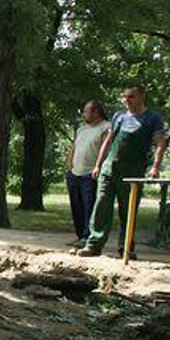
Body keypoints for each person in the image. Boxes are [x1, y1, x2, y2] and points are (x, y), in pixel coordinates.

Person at [77, 86, 167, 259]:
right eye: (125, 97)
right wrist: (98, 164)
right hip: (109, 169)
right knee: (101, 206)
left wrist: (155, 166)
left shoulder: (152, 118)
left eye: (131, 97)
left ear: (142, 96)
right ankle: (94, 244)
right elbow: (108, 141)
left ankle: (126, 248)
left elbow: (160, 143)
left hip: (132, 173)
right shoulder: (119, 116)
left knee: (128, 210)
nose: (127, 101)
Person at [65, 100, 110, 247]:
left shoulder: (106, 127)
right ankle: (80, 236)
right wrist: (69, 167)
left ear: (96, 112)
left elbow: (106, 150)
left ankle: (88, 236)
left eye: (85, 111)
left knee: (89, 206)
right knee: (76, 207)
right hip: (74, 173)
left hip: (90, 174)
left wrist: (98, 168)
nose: (83, 114)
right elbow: (74, 148)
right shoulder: (81, 129)